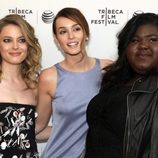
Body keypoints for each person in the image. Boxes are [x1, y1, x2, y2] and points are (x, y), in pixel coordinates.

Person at [35, 7, 112, 158]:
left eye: (76, 29)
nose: (71, 36)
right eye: (63, 32)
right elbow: (38, 128)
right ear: (57, 39)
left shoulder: (107, 70)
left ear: (86, 33)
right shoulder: (49, 77)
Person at [84, 12, 158, 158]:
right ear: (126, 47)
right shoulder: (114, 80)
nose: (143, 45)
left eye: (153, 39)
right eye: (135, 40)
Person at [0, 14, 42, 157]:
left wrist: (77, 128)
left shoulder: (34, 87)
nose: (15, 46)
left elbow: (32, 130)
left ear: (29, 44)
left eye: (22, 40)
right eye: (7, 40)